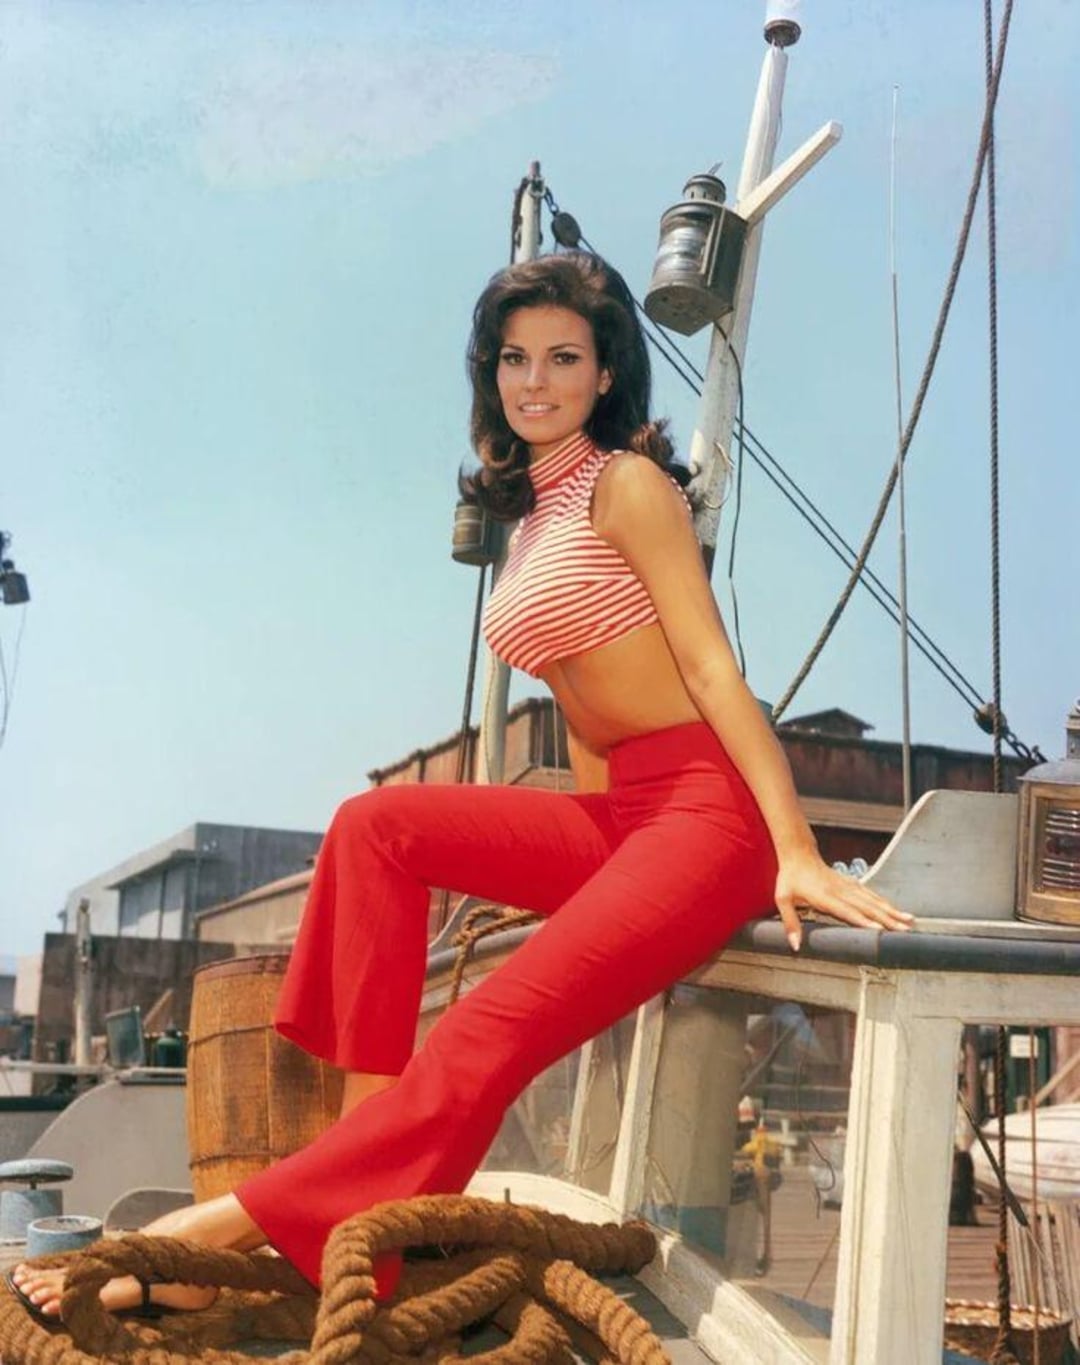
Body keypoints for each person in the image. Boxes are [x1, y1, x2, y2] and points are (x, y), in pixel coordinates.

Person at [10, 251, 911, 1321]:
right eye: (514, 359)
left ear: (608, 373)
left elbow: (714, 671)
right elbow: (585, 718)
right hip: (626, 811)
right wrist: (562, 863)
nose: (535, 382)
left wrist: (794, 849)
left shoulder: (630, 485)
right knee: (376, 826)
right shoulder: (532, 515)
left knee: (483, 1030)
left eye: (563, 359)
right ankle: (360, 1193)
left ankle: (222, 1229)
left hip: (708, 818)